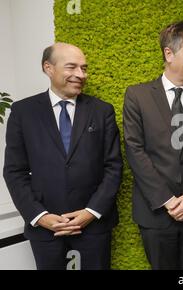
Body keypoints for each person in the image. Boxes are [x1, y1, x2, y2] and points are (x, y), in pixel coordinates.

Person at [3, 43, 123, 270]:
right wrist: (40, 216)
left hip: (93, 229)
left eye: (84, 68)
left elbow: (113, 167)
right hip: (46, 230)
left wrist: (91, 212)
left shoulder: (102, 111)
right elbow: (14, 171)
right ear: (48, 68)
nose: (80, 74)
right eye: (72, 67)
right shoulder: (23, 112)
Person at [123, 20, 183, 270]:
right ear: (169, 53)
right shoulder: (137, 96)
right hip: (155, 214)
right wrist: (167, 200)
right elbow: (135, 151)